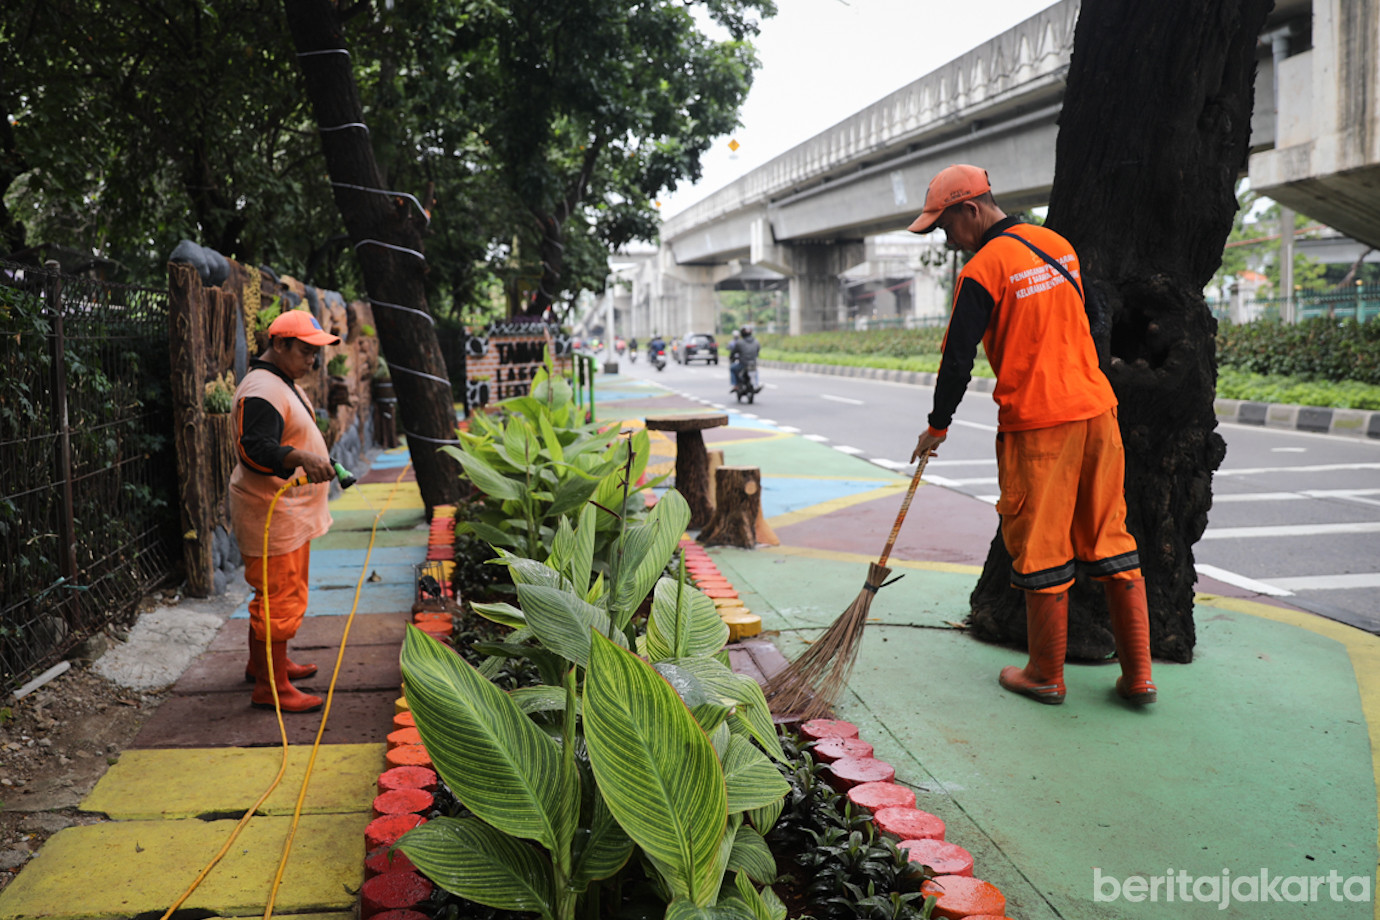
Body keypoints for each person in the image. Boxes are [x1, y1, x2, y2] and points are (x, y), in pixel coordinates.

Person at [907, 164, 1155, 707]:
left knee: (1041, 545)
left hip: (1040, 424)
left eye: (945, 227)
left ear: (970, 209)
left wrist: (938, 424)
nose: (947, 241)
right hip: (1096, 411)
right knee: (1111, 536)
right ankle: (1138, 677)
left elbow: (957, 356)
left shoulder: (983, 270)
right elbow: (1092, 317)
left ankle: (1046, 674)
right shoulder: (1056, 244)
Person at [229, 309, 340, 713]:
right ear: (279, 344)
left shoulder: (278, 382)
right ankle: (270, 687)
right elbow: (254, 450)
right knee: (280, 600)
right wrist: (301, 458)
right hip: (272, 515)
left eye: (316, 353)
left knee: (276, 597)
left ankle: (264, 665)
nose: (313, 360)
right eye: (307, 351)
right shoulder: (262, 388)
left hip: (286, 516)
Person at [729, 325, 761, 393]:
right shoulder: (756, 341)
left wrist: (731, 358)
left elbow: (733, 353)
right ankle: (756, 385)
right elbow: (758, 351)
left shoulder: (739, 342)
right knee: (755, 371)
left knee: (732, 368)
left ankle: (735, 385)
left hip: (743, 364)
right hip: (753, 363)